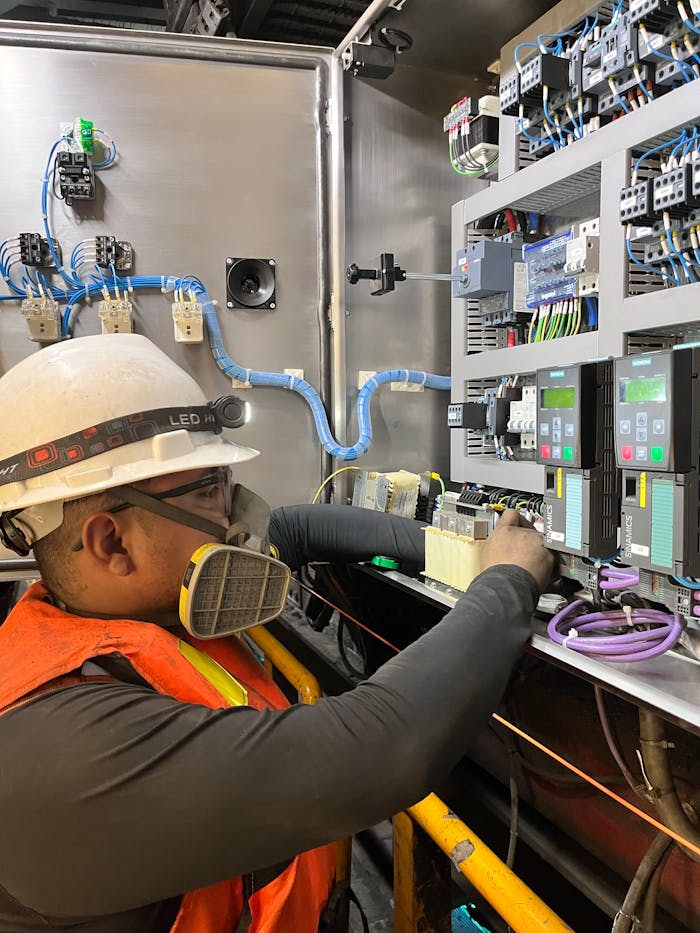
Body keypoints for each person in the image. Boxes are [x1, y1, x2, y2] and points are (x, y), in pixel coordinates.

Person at [0, 334, 554, 933]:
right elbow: (384, 746)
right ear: (112, 543)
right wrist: (508, 581)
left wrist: (458, 554)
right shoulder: (66, 751)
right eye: (210, 490)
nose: (239, 515)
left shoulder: (119, 613)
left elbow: (292, 528)